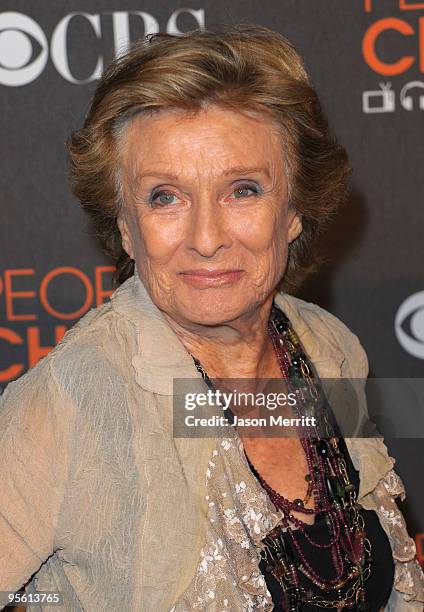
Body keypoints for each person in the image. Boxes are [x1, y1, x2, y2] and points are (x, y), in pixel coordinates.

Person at [0, 24, 423, 612]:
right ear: (125, 225)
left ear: (295, 210)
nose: (206, 239)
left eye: (243, 190)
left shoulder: (328, 346)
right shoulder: (73, 400)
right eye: (164, 197)